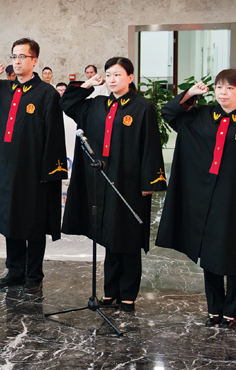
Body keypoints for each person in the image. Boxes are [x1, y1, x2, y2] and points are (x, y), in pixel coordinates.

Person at [155, 70, 236, 328]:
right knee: (210, 253)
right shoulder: (200, 115)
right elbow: (168, 112)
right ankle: (214, 309)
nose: (223, 92)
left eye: (230, 88)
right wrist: (190, 93)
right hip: (205, 196)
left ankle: (231, 310)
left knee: (234, 252)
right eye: (219, 87)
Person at [60, 57, 165, 312]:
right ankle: (110, 292)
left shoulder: (143, 107)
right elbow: (67, 103)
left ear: (130, 77)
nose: (112, 79)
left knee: (128, 237)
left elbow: (151, 145)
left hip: (130, 182)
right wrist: (88, 85)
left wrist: (149, 181)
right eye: (108, 75)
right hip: (102, 181)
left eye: (118, 74)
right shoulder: (96, 104)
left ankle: (128, 294)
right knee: (109, 236)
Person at [0, 39, 68, 294]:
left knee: (33, 223)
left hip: (33, 170)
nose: (17, 61)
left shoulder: (46, 93)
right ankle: (14, 271)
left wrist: (49, 171)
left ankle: (34, 275)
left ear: (34, 60)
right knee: (10, 219)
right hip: (4, 169)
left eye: (23, 56)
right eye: (14, 56)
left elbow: (54, 135)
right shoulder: (2, 88)